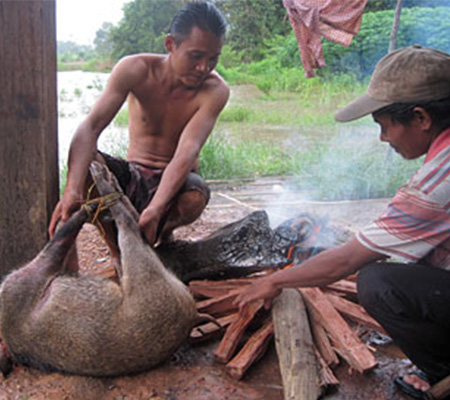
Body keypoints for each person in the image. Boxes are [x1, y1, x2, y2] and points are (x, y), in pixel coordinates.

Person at [235, 45, 450, 400]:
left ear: (421, 118)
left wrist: (274, 281)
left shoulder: (434, 184)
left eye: (385, 126)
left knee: (377, 282)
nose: (384, 138)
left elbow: (348, 260)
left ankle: (442, 368)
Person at [49, 1, 229, 259]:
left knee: (195, 196)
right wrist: (72, 189)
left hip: (176, 181)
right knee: (89, 168)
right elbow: (90, 127)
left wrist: (156, 209)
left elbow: (187, 151)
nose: (204, 67)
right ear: (171, 44)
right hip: (133, 175)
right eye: (196, 56)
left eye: (213, 58)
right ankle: (120, 254)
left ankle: (160, 235)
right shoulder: (135, 69)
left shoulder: (215, 90)